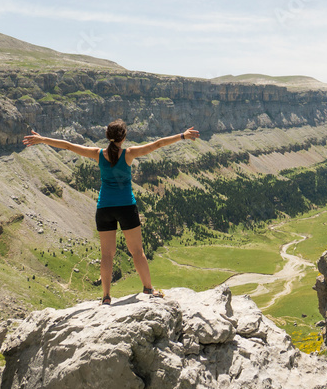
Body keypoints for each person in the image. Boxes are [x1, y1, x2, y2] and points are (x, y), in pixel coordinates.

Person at [22, 120, 200, 305]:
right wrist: (182, 136)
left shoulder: (98, 154)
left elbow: (67, 145)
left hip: (104, 208)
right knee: (137, 251)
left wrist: (42, 139)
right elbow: (158, 144)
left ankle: (106, 297)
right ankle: (148, 288)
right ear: (123, 137)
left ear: (108, 136)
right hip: (126, 207)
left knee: (107, 255)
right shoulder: (129, 154)